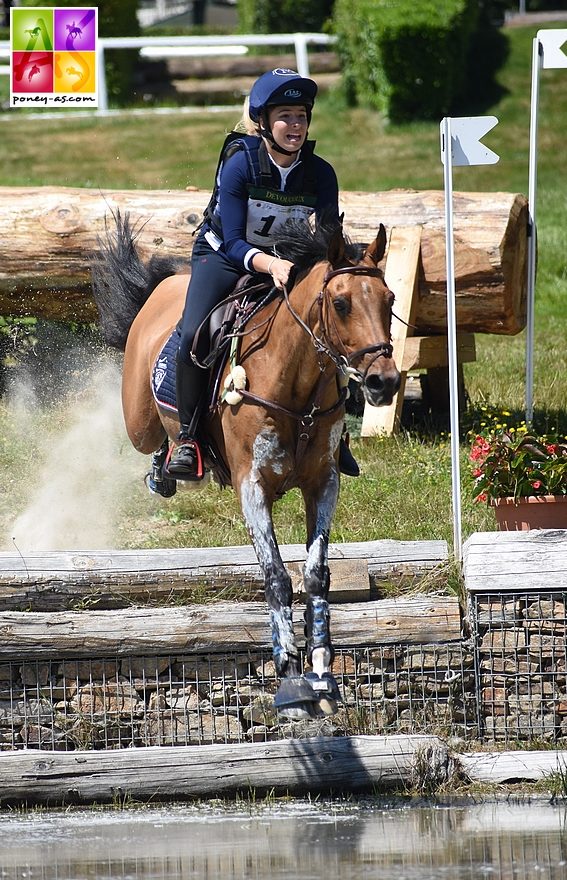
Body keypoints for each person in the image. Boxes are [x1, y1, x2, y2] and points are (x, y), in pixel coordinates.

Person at [167, 67, 359, 479]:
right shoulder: (240, 165)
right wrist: (269, 264)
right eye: (285, 116)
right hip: (222, 255)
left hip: (287, 259)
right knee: (195, 334)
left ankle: (336, 435)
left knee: (332, 328)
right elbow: (234, 240)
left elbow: (328, 238)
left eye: (302, 116)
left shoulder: (320, 173)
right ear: (264, 122)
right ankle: (186, 438)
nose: (295, 125)